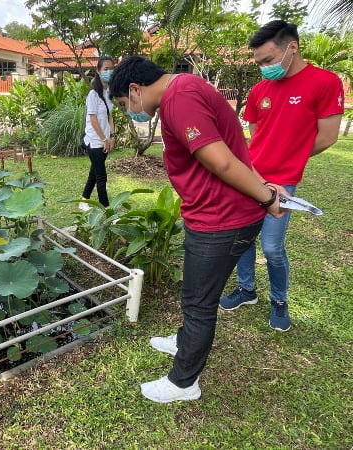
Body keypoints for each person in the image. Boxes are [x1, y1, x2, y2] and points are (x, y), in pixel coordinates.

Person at [108, 56, 283, 403]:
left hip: (221, 217)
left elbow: (221, 160)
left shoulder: (179, 99)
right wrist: (264, 186)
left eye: (126, 105)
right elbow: (232, 147)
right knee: (195, 293)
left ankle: (184, 381)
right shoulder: (186, 87)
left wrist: (266, 197)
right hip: (213, 212)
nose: (131, 112)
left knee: (200, 302)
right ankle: (184, 341)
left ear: (134, 89)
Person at [219, 20, 344, 332]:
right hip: (249, 175)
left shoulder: (324, 82)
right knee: (243, 238)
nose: (264, 68)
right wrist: (258, 168)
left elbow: (328, 136)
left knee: (272, 247)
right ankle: (247, 290)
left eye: (269, 60)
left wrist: (290, 158)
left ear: (292, 47)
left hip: (284, 181)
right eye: (260, 63)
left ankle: (279, 300)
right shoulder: (261, 88)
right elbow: (255, 132)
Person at [79, 56, 116, 210]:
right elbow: (93, 120)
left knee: (94, 174)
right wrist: (104, 139)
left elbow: (110, 116)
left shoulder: (109, 93)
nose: (109, 71)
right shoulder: (93, 95)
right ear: (98, 71)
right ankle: (106, 209)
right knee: (101, 177)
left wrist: (112, 137)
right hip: (94, 142)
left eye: (111, 69)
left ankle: (83, 201)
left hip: (105, 141)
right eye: (106, 69)